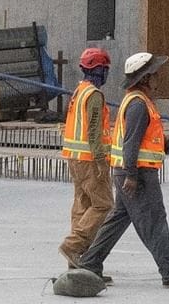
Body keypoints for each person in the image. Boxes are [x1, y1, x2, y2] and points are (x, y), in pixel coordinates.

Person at [63, 51, 169, 291]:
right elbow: (130, 144)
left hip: (127, 171)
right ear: (145, 78)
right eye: (154, 74)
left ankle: (91, 263)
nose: (158, 79)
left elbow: (151, 137)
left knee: (117, 219)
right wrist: (132, 176)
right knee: (154, 221)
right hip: (138, 173)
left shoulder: (137, 101)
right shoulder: (137, 105)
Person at [59, 46, 116, 266]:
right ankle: (73, 245)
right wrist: (101, 160)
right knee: (103, 204)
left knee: (82, 205)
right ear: (100, 70)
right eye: (106, 69)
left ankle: (77, 259)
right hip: (90, 159)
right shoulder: (93, 94)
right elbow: (93, 129)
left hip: (75, 157)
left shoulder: (79, 90)